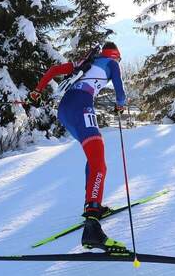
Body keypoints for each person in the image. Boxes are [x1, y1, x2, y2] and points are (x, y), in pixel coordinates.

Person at [28, 41, 127, 251]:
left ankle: (94, 206)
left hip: (65, 111)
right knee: (99, 161)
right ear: (116, 55)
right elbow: (120, 88)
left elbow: (55, 70)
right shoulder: (112, 62)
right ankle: (92, 226)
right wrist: (120, 104)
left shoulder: (86, 62)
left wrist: (37, 91)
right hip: (82, 105)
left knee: (93, 158)